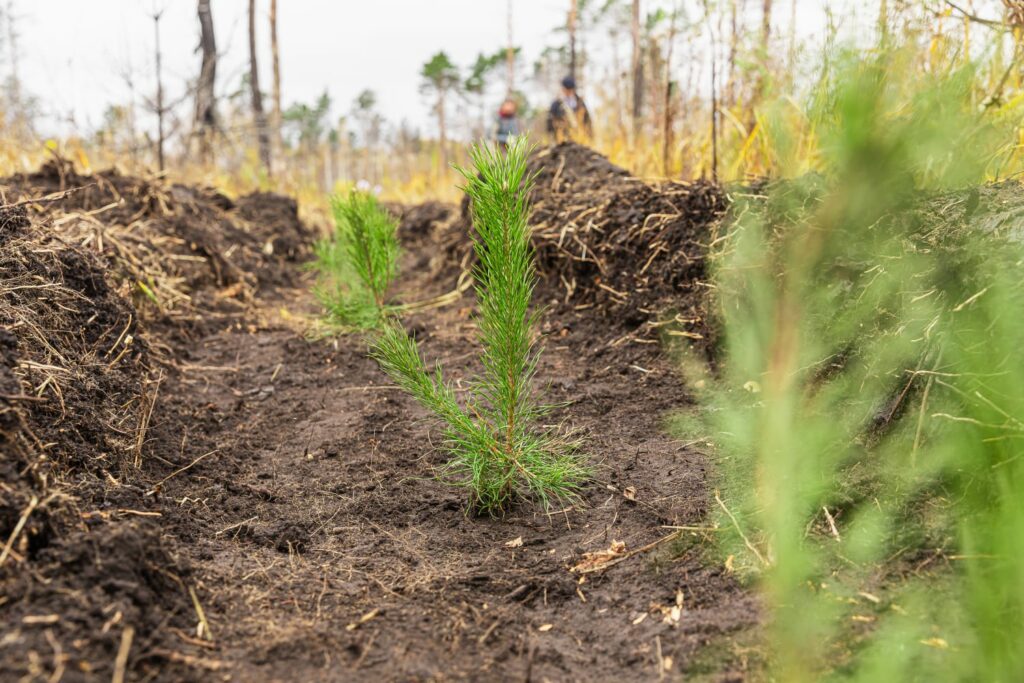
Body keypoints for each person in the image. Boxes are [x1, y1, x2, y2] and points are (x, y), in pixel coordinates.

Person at [546, 76, 593, 142]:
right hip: (561, 140)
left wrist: (589, 136)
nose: (568, 93)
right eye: (566, 90)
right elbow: (550, 124)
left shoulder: (580, 103)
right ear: (562, 89)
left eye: (570, 90)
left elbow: (587, 121)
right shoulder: (556, 105)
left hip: (579, 139)